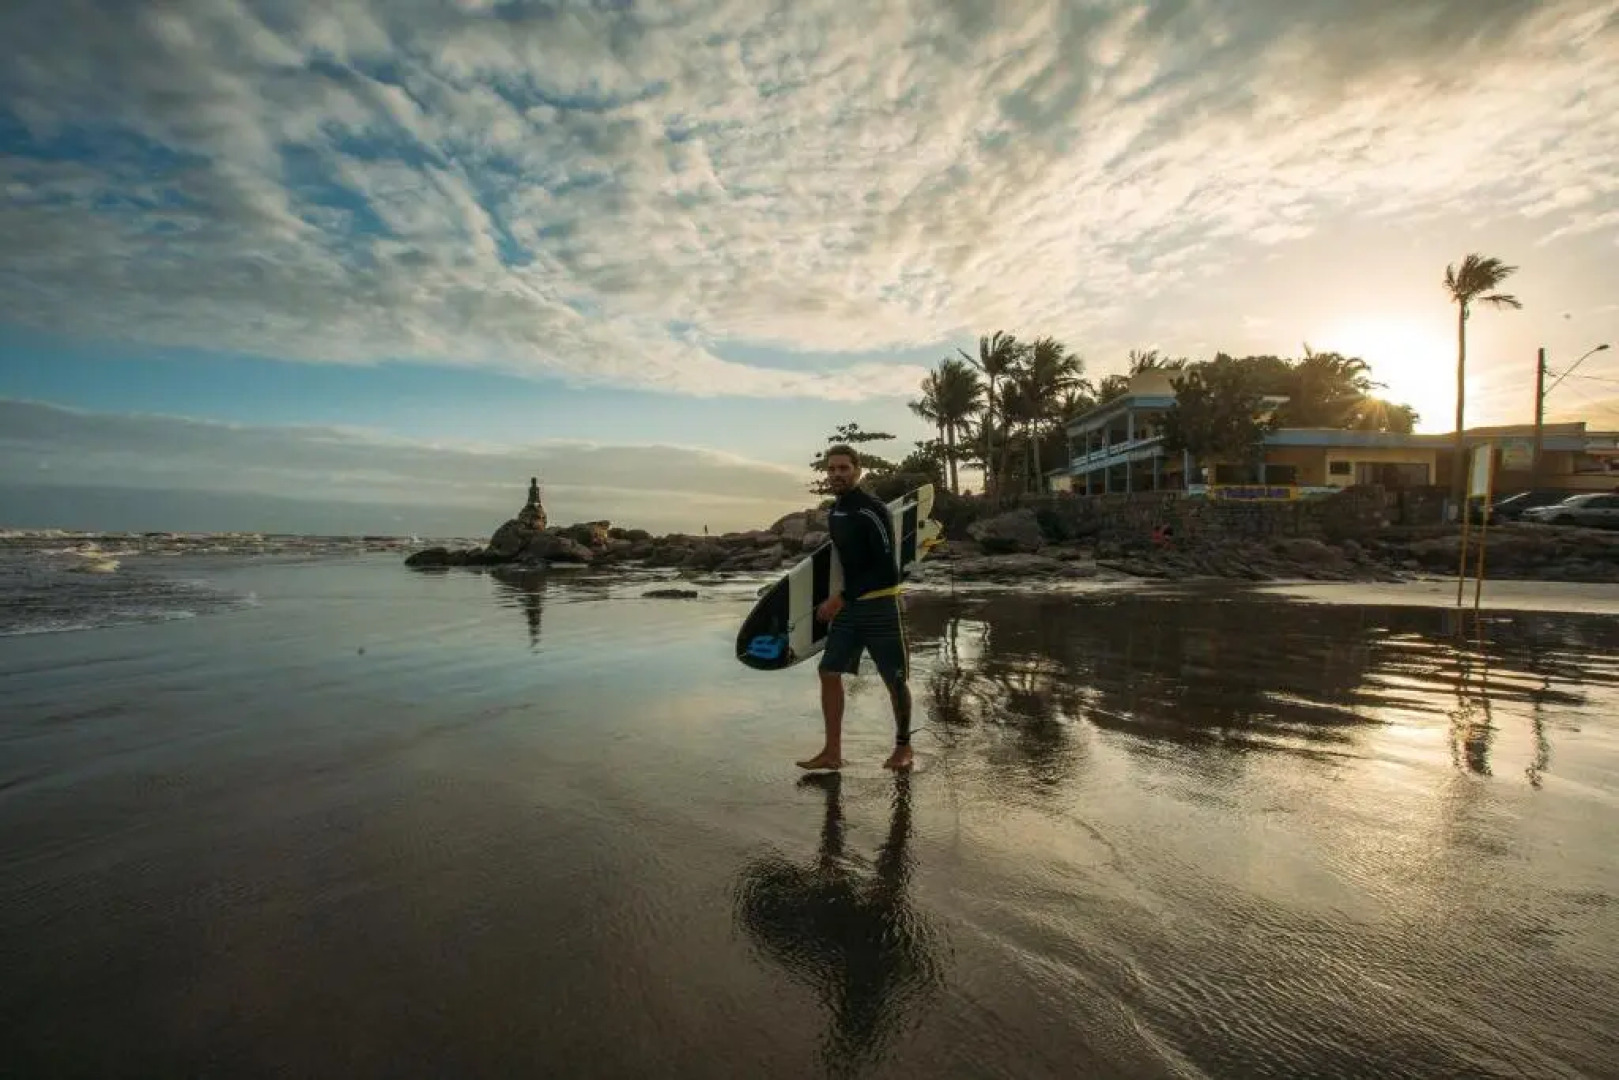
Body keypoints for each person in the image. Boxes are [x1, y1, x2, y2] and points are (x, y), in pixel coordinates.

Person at [796, 444, 913, 773]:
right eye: (832, 469)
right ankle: (832, 752)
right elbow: (843, 563)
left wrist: (840, 598)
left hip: (881, 607)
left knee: (895, 679)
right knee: (828, 671)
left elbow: (887, 571)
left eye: (844, 468)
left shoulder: (871, 510)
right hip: (850, 610)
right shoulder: (835, 512)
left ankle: (904, 747)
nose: (837, 474)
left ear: (858, 471)